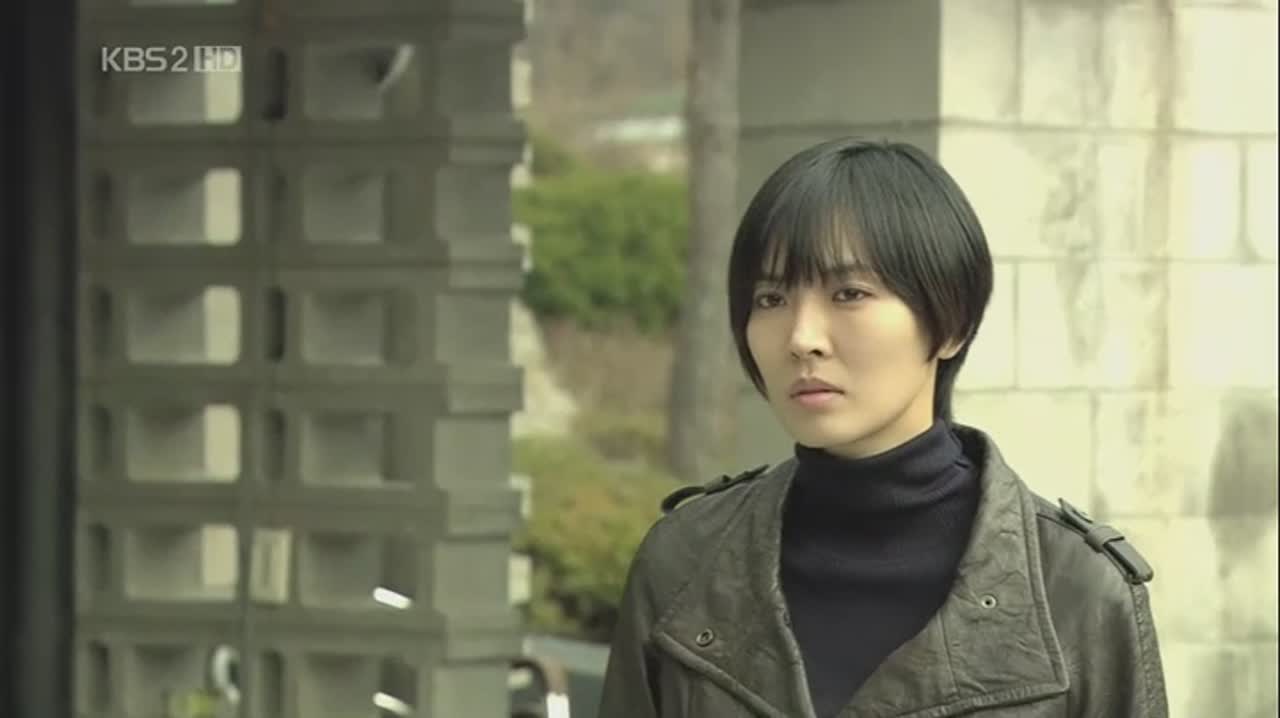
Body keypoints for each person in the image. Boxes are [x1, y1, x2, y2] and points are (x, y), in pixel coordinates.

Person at [597, 138, 1168, 717]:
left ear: (952, 323)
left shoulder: (1077, 591)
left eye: (850, 293)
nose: (801, 338)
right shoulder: (685, 562)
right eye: (770, 298)